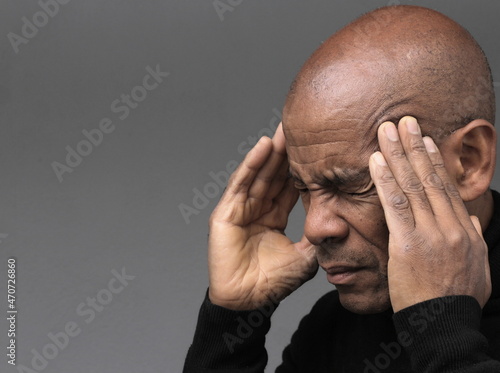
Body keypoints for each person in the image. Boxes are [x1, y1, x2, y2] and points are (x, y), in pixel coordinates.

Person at [183, 5, 500, 372]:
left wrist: (442, 326)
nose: (315, 228)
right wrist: (232, 323)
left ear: (469, 162)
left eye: (351, 186)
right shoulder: (335, 327)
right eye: (302, 187)